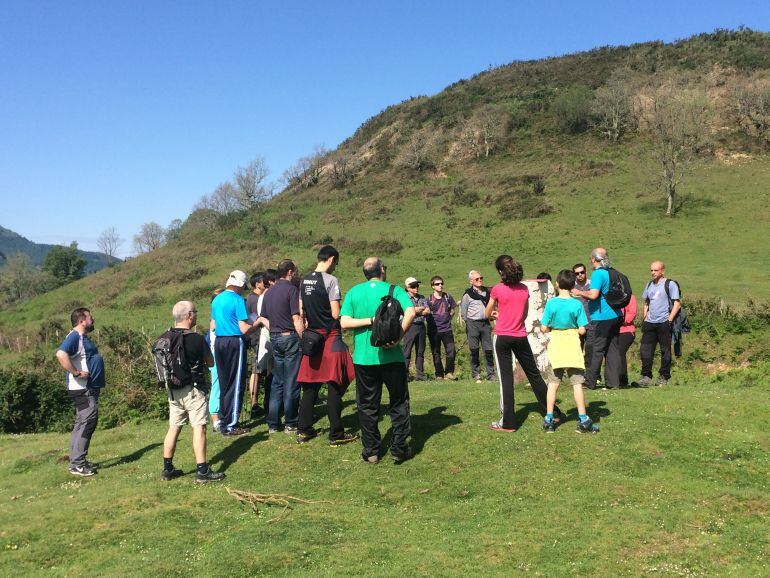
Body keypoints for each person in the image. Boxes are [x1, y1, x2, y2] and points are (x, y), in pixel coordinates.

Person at [340, 257, 416, 464]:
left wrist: (369, 321)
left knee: (367, 405)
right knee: (399, 401)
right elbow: (411, 311)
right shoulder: (395, 289)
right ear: (382, 270)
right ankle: (399, 448)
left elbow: (344, 322)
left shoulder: (354, 292)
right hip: (392, 357)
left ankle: (371, 451)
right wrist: (399, 336)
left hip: (364, 359)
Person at [484, 256, 566, 432]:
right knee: (534, 375)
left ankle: (508, 423)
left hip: (502, 337)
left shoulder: (498, 289)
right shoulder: (523, 289)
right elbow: (524, 313)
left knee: (506, 381)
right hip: (521, 336)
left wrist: (497, 315)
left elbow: (486, 313)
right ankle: (554, 412)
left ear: (500, 271)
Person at [296, 246, 358, 446]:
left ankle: (304, 430)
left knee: (310, 386)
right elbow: (334, 313)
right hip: (330, 337)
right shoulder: (331, 281)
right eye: (336, 263)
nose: (335, 267)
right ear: (331, 259)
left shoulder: (304, 280)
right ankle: (336, 433)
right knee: (334, 384)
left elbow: (301, 310)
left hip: (312, 338)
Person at [159, 301, 225, 483]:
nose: (196, 315)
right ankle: (202, 470)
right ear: (189, 316)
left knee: (174, 427)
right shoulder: (195, 338)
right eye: (195, 312)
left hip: (173, 390)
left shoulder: (164, 337)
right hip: (193, 390)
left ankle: (167, 469)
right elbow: (210, 363)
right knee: (199, 427)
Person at [540, 270, 599, 433]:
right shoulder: (577, 304)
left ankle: (549, 419)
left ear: (557, 284)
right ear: (573, 285)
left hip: (556, 346)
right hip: (572, 345)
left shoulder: (551, 304)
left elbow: (544, 327)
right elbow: (582, 330)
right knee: (577, 384)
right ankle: (583, 420)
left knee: (553, 384)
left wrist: (552, 326)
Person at [56, 307, 105, 476]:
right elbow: (61, 354)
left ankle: (76, 460)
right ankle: (77, 464)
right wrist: (76, 372)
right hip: (82, 389)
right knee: (87, 422)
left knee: (81, 422)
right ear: (82, 321)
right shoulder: (75, 337)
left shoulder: (81, 337)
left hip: (86, 388)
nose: (93, 320)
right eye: (90, 318)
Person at [210, 270, 257, 436]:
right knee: (236, 383)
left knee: (224, 383)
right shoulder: (237, 300)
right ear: (240, 285)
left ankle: (223, 420)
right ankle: (231, 424)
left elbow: (213, 326)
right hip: (234, 341)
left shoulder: (217, 299)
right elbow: (244, 328)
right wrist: (256, 323)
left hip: (219, 342)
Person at [259, 259, 304, 434]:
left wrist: (275, 330)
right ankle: (291, 422)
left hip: (275, 338)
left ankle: (273, 423)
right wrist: (303, 338)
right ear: (290, 272)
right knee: (291, 381)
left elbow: (264, 317)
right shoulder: (292, 290)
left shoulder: (268, 293)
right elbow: (296, 318)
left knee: (277, 381)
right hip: (289, 336)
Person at [570, 248, 622, 390]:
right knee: (612, 349)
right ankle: (613, 382)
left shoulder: (598, 274)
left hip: (601, 316)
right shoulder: (611, 272)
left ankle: (590, 381)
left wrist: (579, 292)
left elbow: (593, 295)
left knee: (595, 350)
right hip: (615, 315)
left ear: (594, 259)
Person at [639, 261, 681, 387]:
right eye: (651, 270)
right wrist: (645, 316)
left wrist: (669, 319)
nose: (653, 273)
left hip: (664, 322)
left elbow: (677, 304)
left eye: (655, 270)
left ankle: (664, 377)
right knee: (645, 350)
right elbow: (647, 302)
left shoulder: (670, 284)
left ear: (662, 271)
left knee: (665, 351)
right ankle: (646, 377)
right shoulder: (649, 285)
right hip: (650, 323)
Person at [460, 270, 495, 383]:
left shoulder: (487, 292)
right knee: (474, 350)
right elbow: (464, 312)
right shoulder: (467, 295)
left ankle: (491, 374)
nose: (480, 280)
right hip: (473, 324)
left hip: (485, 323)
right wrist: (469, 323)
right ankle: (476, 374)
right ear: (471, 281)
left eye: (481, 278)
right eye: (477, 279)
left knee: (488, 350)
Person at [426, 275, 458, 380]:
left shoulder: (448, 297)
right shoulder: (429, 299)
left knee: (451, 350)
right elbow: (426, 313)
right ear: (432, 286)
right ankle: (439, 374)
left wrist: (448, 318)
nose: (440, 285)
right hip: (433, 331)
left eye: (441, 283)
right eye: (437, 284)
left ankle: (449, 372)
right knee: (436, 352)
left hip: (447, 329)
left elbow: (453, 309)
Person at [246, 272, 267, 418]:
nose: (265, 283)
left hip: (257, 336)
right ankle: (254, 403)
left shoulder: (254, 298)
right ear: (257, 284)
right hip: (257, 337)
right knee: (257, 369)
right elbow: (255, 318)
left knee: (259, 369)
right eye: (262, 281)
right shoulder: (254, 299)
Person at [402, 276, 430, 381]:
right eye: (413, 286)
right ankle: (404, 375)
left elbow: (427, 310)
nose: (416, 288)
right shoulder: (404, 298)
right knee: (407, 351)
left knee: (420, 351)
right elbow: (406, 311)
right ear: (408, 287)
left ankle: (420, 374)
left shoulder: (421, 297)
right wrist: (417, 310)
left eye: (417, 286)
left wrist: (415, 310)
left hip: (421, 325)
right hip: (410, 326)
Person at [205, 288, 224, 432]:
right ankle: (215, 419)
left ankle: (221, 416)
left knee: (220, 386)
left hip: (216, 354)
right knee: (216, 386)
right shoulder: (215, 320)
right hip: (216, 355)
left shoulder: (215, 317)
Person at [572, 263, 592, 366]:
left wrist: (579, 292)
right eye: (577, 273)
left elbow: (595, 295)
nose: (580, 275)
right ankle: (578, 374)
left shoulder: (592, 284)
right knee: (577, 350)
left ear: (585, 272)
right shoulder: (571, 287)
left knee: (590, 351)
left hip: (591, 322)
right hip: (576, 324)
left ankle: (592, 375)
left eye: (582, 272)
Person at [618, 293, 638, 387]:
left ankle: (623, 380)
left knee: (620, 352)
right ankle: (613, 378)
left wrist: (622, 321)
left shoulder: (630, 297)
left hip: (627, 330)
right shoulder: (611, 296)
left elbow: (632, 313)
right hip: (613, 330)